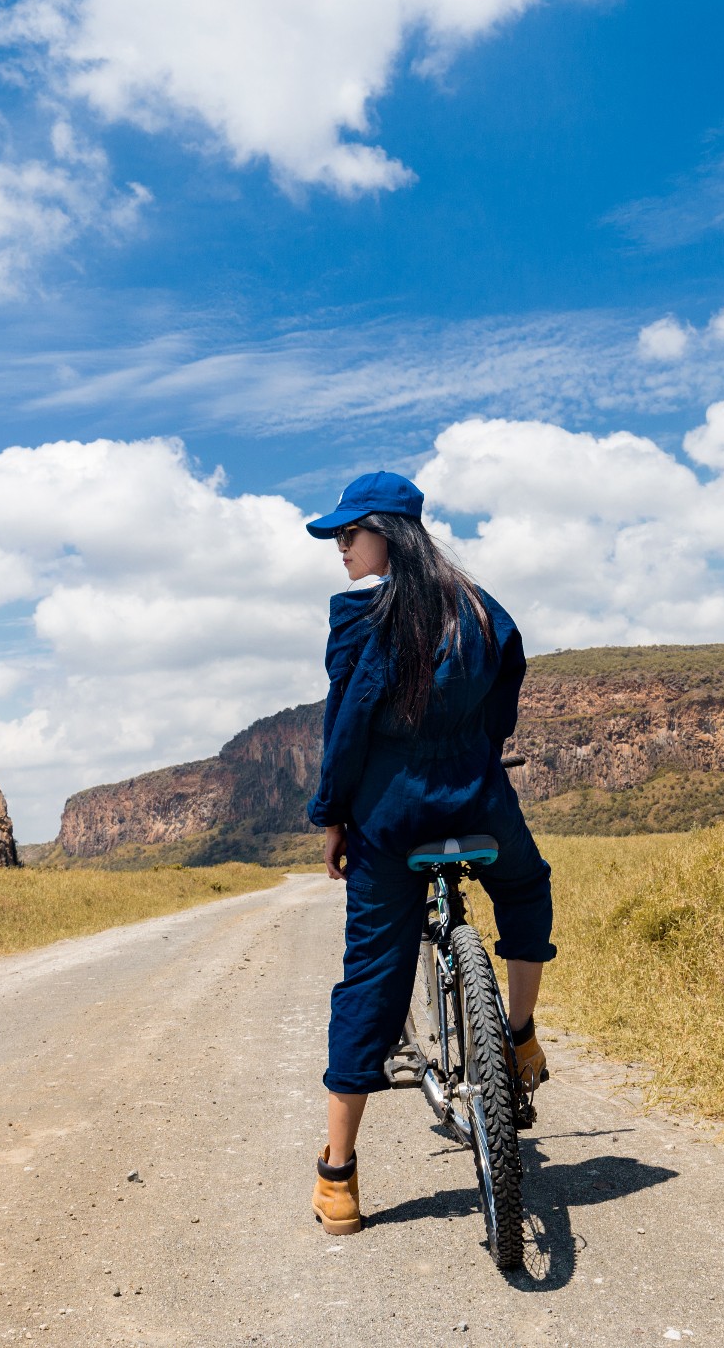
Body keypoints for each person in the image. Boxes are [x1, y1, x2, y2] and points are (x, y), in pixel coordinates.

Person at [301, 470, 555, 1237]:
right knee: (525, 885)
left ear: (388, 533)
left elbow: (345, 731)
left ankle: (339, 1176)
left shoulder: (363, 618)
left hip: (392, 820)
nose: (342, 549)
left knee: (372, 979)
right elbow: (507, 686)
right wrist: (474, 750)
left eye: (351, 534)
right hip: (478, 800)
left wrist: (333, 815)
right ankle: (516, 1033)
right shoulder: (482, 608)